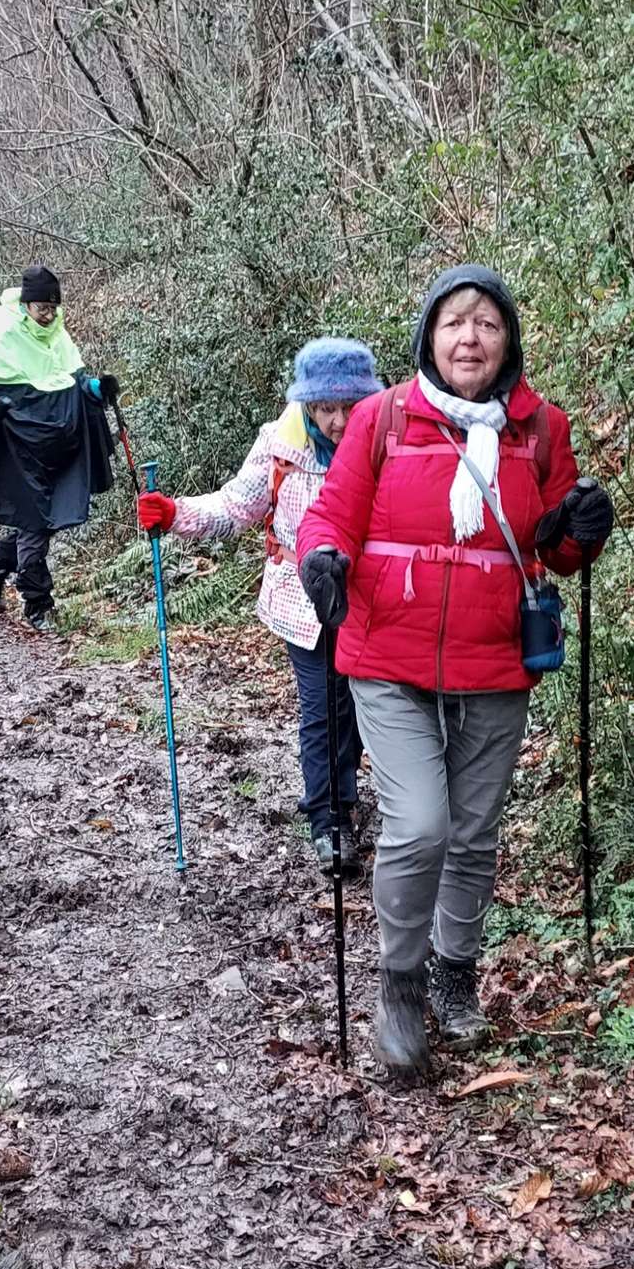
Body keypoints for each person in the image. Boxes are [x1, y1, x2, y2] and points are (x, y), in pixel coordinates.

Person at [296, 268, 612, 1075]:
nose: (470, 337)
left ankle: (455, 973)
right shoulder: (383, 418)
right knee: (421, 826)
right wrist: (321, 557)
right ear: (428, 338)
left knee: (472, 834)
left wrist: (585, 528)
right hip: (388, 658)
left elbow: (558, 549)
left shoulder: (541, 429)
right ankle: (400, 987)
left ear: (509, 342)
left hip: (497, 659)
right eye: (454, 322)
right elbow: (331, 516)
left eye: (487, 324)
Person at [136, 338, 382, 870]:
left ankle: (349, 797)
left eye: (350, 407)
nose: (338, 421)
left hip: (371, 600)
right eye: (326, 407)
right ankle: (329, 820)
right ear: (307, 403)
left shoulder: (384, 443)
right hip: (301, 601)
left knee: (361, 708)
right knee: (323, 708)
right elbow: (235, 507)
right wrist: (174, 513)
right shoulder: (279, 446)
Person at [0, 268, 119, 627]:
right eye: (43, 308)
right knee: (37, 518)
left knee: (48, 515)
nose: (49, 315)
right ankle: (38, 604)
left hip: (56, 445)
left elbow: (69, 382)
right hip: (15, 445)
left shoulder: (56, 333)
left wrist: (94, 389)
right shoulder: (0, 330)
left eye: (54, 308)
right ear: (26, 304)